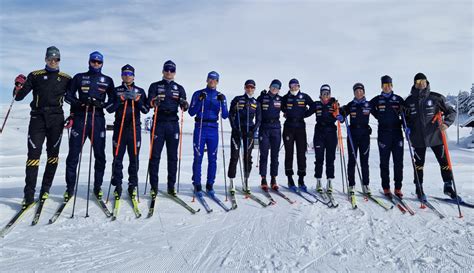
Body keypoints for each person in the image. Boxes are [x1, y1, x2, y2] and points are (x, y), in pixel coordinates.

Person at [13, 46, 71, 206]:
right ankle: (29, 195)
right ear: (45, 59)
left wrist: (72, 115)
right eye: (50, 58)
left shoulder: (66, 78)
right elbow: (18, 97)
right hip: (38, 118)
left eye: (56, 59)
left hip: (56, 120)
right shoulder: (35, 75)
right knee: (33, 156)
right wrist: (18, 85)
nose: (53, 61)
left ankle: (45, 189)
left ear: (59, 60)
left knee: (53, 156)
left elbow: (73, 98)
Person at [64, 51, 115, 200]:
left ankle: (97, 187)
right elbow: (68, 96)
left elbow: (113, 101)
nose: (96, 64)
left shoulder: (107, 80)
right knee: (73, 155)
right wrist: (79, 103)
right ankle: (70, 188)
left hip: (98, 119)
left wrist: (102, 104)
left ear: (102, 64)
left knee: (100, 156)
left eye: (99, 62)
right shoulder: (79, 77)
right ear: (89, 62)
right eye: (93, 61)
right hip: (81, 118)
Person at [404, 73, 456, 201]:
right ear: (414, 84)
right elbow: (405, 118)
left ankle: (448, 186)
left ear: (427, 82)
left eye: (423, 81)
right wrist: (406, 128)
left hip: (436, 137)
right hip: (418, 138)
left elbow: (451, 112)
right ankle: (419, 188)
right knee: (419, 165)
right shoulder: (409, 101)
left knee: (444, 162)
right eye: (418, 81)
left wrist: (446, 123)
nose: (421, 83)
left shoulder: (436, 98)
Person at [147, 60, 188, 197]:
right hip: (159, 123)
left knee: (173, 157)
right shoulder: (155, 86)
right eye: (166, 70)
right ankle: (154, 186)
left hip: (173, 124)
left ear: (174, 72)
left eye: (171, 70)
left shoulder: (179, 88)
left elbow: (184, 105)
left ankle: (171, 186)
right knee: (155, 156)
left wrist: (184, 104)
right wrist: (154, 102)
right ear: (163, 71)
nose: (169, 72)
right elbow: (150, 102)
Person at [110, 64, 148, 199]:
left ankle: (132, 185)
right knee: (117, 159)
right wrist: (121, 99)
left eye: (130, 74)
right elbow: (109, 108)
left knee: (134, 159)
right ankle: (118, 185)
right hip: (119, 128)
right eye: (125, 74)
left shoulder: (140, 91)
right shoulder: (116, 90)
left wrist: (137, 100)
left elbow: (145, 109)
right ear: (121, 75)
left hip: (134, 129)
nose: (127, 76)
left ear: (133, 76)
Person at [188, 71, 228, 197]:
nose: (212, 81)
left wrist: (222, 103)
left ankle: (210, 184)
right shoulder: (198, 93)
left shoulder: (221, 96)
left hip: (213, 129)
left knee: (213, 158)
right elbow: (191, 112)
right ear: (207, 80)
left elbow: (225, 115)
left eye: (215, 80)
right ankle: (197, 184)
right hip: (200, 127)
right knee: (198, 157)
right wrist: (200, 100)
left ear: (218, 82)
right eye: (210, 79)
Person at [369, 75, 404, 198]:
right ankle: (386, 187)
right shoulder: (377, 99)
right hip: (383, 134)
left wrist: (406, 126)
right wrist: (378, 115)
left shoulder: (398, 99)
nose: (387, 87)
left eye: (389, 85)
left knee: (398, 162)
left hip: (397, 133)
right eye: (384, 85)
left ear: (392, 85)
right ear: (381, 86)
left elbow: (406, 114)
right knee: (384, 162)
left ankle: (398, 188)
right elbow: (368, 106)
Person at [306, 84, 343, 194]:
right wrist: (293, 113)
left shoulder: (334, 104)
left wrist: (341, 117)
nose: (325, 95)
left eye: (327, 93)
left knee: (330, 159)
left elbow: (341, 117)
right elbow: (306, 113)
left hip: (331, 132)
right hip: (319, 133)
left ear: (330, 94)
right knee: (319, 159)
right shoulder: (316, 104)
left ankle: (329, 182)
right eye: (323, 93)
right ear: (320, 94)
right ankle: (318, 181)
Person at [228, 80, 261, 193]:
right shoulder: (238, 99)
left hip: (249, 132)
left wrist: (253, 130)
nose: (250, 89)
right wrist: (234, 128)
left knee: (247, 157)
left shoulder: (256, 103)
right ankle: (231, 181)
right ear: (245, 87)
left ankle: (246, 181)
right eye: (248, 87)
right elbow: (230, 115)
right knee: (234, 157)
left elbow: (259, 119)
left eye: (252, 87)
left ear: (254, 89)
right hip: (237, 131)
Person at [281, 78, 313, 190]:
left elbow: (313, 107)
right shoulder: (285, 97)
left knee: (301, 154)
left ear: (299, 86)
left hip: (300, 127)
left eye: (296, 85)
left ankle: (301, 180)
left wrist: (305, 114)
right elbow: (278, 105)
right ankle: (290, 179)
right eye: (291, 86)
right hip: (288, 127)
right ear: (289, 87)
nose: (294, 87)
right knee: (289, 154)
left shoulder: (304, 96)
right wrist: (285, 112)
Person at [342, 83, 373, 195]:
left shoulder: (369, 105)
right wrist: (341, 114)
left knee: (364, 161)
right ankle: (351, 185)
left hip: (365, 135)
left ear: (363, 92)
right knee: (352, 160)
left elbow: (380, 114)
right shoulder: (351, 105)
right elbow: (341, 113)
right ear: (354, 93)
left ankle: (366, 185)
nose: (358, 93)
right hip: (353, 136)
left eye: (360, 90)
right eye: (356, 91)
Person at [256, 79, 283, 190]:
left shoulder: (281, 99)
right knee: (264, 154)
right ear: (270, 86)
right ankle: (263, 178)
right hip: (264, 128)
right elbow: (255, 107)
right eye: (273, 86)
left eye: (277, 87)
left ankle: (273, 178)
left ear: (279, 89)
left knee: (275, 155)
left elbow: (290, 109)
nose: (274, 88)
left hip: (276, 128)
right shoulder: (262, 97)